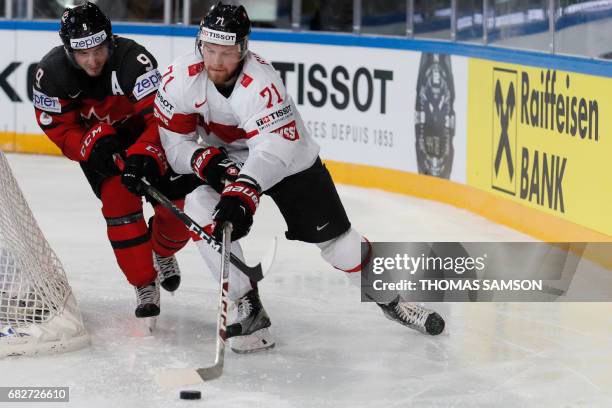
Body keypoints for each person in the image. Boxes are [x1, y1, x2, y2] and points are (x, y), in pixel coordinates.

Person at [154, 2, 446, 350]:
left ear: (243, 48)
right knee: (201, 210)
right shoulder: (179, 78)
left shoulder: (261, 83)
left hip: (287, 159)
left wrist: (244, 193)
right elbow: (174, 144)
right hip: (230, 158)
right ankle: (248, 306)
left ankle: (393, 301)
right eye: (209, 49)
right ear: (199, 44)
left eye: (227, 52)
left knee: (340, 246)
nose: (216, 61)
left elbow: (273, 149)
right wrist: (205, 161)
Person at [32, 2, 201, 322]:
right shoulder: (51, 73)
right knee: (118, 204)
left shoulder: (132, 59)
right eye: (82, 53)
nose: (92, 60)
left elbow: (159, 118)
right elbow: (58, 129)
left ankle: (162, 253)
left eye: (98, 48)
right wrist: (90, 144)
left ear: (109, 39)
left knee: (176, 205)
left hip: (149, 140)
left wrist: (143, 154)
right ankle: (143, 283)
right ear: (68, 50)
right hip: (98, 148)